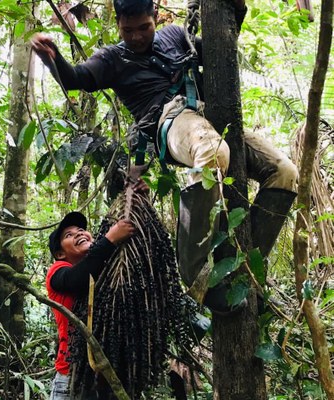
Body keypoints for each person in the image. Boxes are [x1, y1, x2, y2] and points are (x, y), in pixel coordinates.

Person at [33, 0, 298, 313]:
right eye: (127, 30)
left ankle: (244, 269)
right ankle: (197, 276)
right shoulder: (112, 58)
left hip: (211, 115)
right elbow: (79, 78)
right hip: (169, 121)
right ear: (118, 23)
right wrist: (53, 61)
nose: (136, 36)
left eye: (144, 27)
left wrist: (235, 13)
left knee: (285, 173)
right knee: (214, 153)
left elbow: (217, 51)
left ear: (155, 18)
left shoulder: (174, 35)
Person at [46, 179, 148, 399]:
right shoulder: (58, 271)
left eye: (81, 229)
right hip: (71, 375)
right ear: (60, 254)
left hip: (107, 375)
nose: (79, 233)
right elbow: (78, 279)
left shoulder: (106, 265)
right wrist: (110, 238)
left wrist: (139, 200)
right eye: (69, 235)